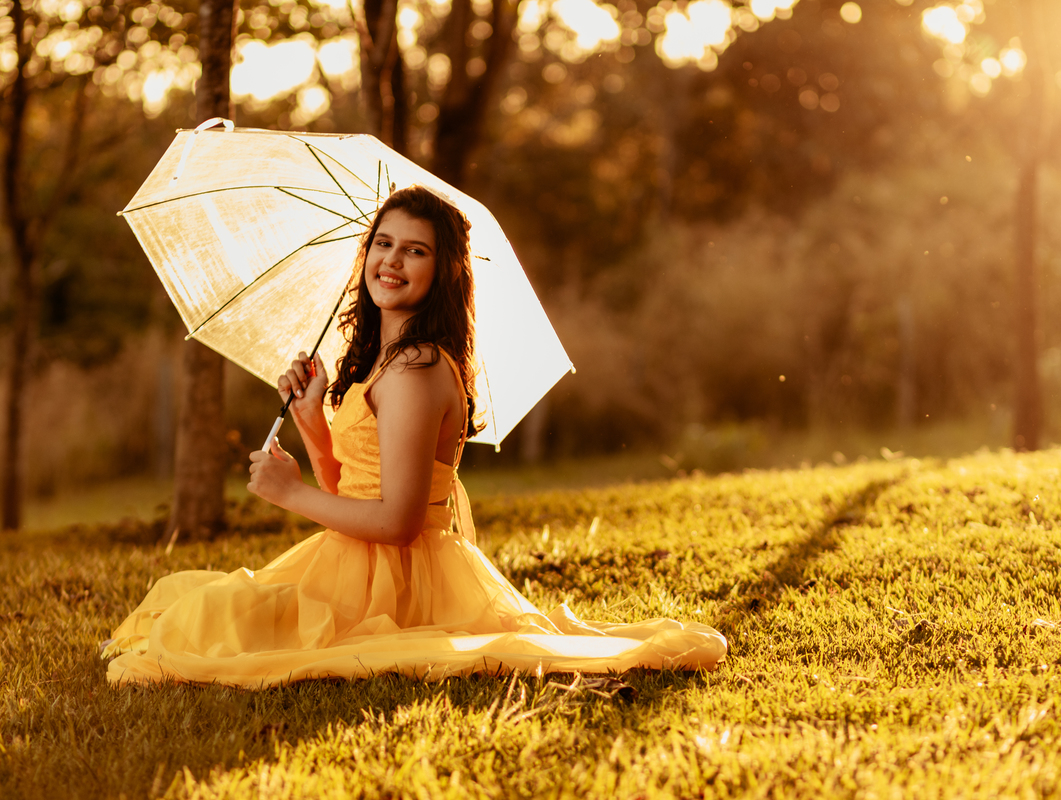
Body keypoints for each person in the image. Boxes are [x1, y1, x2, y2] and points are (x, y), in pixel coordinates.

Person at [102, 186, 726, 687]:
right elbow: (350, 490)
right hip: (358, 561)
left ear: (444, 271)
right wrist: (313, 421)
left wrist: (288, 495)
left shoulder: (417, 369)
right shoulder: (384, 361)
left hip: (397, 578)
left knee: (217, 624)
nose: (391, 261)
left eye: (415, 251)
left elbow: (397, 523)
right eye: (383, 243)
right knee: (204, 612)